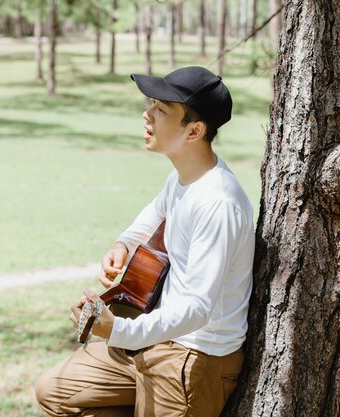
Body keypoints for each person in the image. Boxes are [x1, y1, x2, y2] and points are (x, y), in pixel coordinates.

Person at [35, 66, 255, 417]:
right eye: (152, 103)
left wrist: (120, 329)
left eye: (162, 110)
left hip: (191, 358)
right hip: (152, 336)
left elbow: (197, 308)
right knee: (55, 392)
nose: (147, 113)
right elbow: (156, 212)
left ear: (194, 130)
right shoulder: (183, 177)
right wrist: (123, 244)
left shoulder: (219, 203)